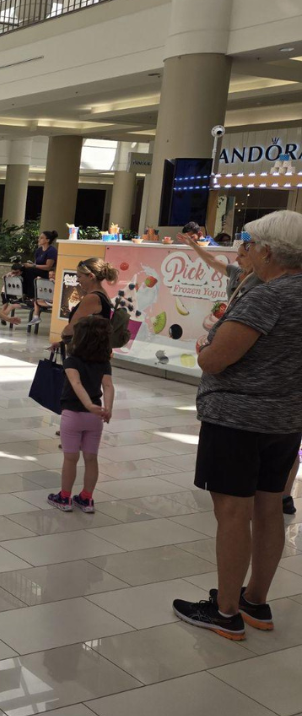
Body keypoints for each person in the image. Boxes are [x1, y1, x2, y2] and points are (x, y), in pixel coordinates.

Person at [173, 210, 302, 641]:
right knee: (269, 508)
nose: (245, 250)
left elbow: (215, 359)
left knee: (232, 512)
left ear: (268, 251)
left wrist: (205, 347)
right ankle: (255, 601)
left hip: (238, 419)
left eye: (249, 244)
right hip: (286, 419)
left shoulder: (267, 297)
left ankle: (225, 612)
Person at [47, 315, 114, 512]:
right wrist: (106, 408)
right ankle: (86, 498)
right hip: (95, 418)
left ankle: (64, 497)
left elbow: (76, 384)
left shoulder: (72, 361)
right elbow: (108, 386)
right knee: (91, 458)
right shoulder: (103, 362)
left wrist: (87, 404)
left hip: (73, 415)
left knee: (70, 458)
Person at [180, 231, 259, 306]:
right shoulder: (235, 271)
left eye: (242, 256)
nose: (237, 259)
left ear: (253, 256)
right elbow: (212, 260)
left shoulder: (261, 277)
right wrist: (193, 245)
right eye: (238, 255)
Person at [56, 258, 117, 351]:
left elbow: (71, 329)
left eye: (79, 276)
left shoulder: (92, 298)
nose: (77, 280)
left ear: (91, 276)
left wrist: (64, 334)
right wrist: (61, 343)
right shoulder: (102, 294)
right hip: (97, 350)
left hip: (87, 353)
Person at [21, 230, 58, 299]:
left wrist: (33, 266)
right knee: (23, 269)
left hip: (47, 272)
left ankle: (31, 295)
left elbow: (48, 267)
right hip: (38, 270)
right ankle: (24, 293)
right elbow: (36, 263)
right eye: (39, 237)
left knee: (30, 271)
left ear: (47, 240)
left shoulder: (52, 250)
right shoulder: (39, 250)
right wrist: (31, 264)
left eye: (41, 238)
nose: (39, 239)